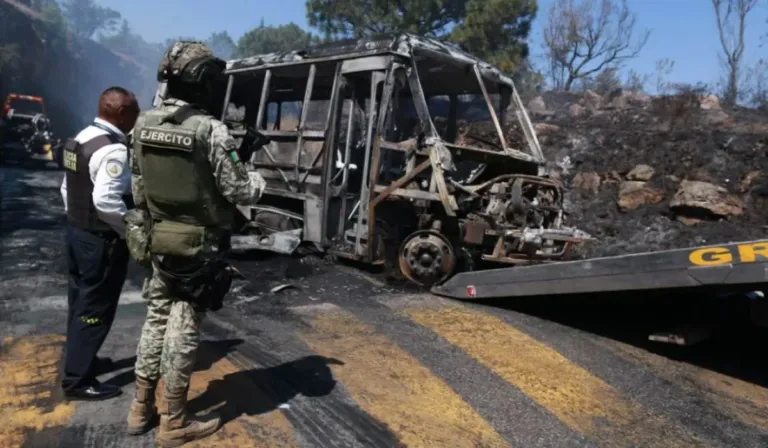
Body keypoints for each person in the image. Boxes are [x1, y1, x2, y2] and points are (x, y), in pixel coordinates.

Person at [124, 41, 266, 447]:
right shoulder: (209, 129)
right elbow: (240, 190)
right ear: (203, 82)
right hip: (198, 248)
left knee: (155, 320)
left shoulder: (142, 123)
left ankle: (140, 407)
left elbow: (138, 191)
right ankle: (174, 420)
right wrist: (252, 170)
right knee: (183, 329)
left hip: (157, 241)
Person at [59, 86, 140, 400]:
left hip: (76, 233)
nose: (135, 119)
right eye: (133, 113)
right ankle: (78, 381)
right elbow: (106, 200)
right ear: (121, 113)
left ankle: (82, 359)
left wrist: (79, 220)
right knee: (95, 309)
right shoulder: (114, 149)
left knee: (79, 302)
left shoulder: (78, 138)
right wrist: (127, 229)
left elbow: (68, 189)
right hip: (99, 241)